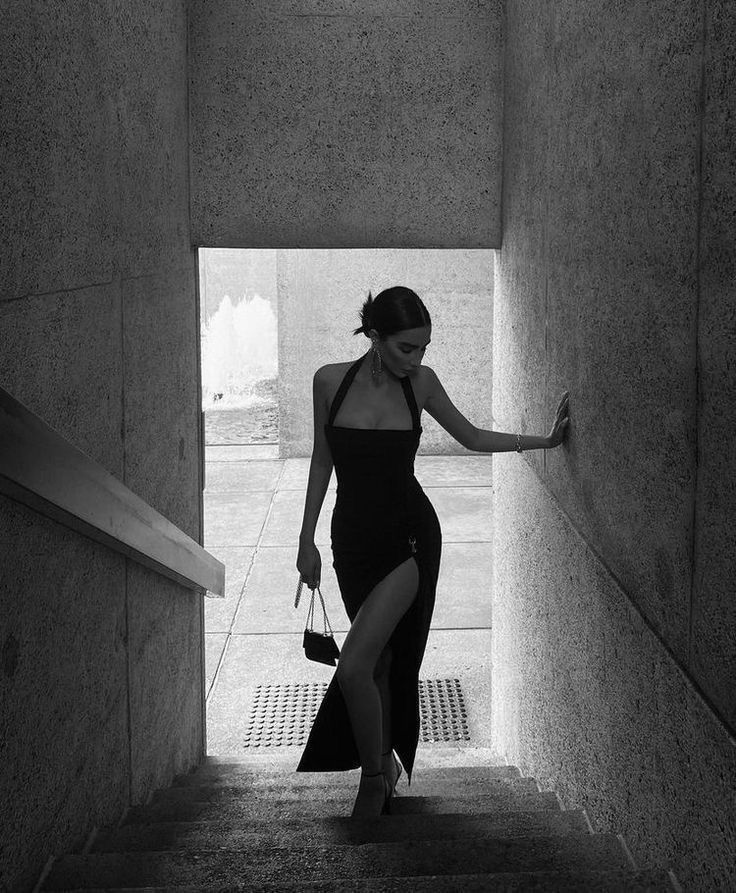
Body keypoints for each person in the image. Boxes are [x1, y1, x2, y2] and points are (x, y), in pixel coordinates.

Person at [295, 286, 569, 819]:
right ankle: (386, 763)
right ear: (373, 337)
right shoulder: (330, 381)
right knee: (379, 662)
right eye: (405, 348)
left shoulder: (419, 385)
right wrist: (304, 540)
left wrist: (543, 442)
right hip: (351, 540)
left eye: (423, 347)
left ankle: (373, 780)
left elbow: (469, 436)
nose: (416, 359)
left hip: (409, 540)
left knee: (354, 666)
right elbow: (321, 461)